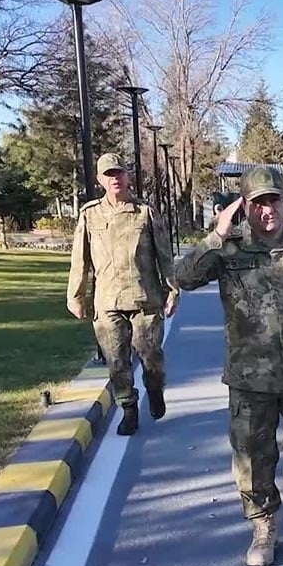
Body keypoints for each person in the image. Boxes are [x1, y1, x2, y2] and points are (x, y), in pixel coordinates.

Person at [174, 165, 283, 566]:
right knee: (252, 457)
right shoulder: (228, 249)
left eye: (274, 200)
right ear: (245, 205)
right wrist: (216, 233)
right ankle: (263, 524)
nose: (268, 210)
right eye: (259, 202)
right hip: (250, 376)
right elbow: (183, 277)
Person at [68, 153, 178, 436]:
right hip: (107, 301)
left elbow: (164, 255)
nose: (114, 178)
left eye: (119, 173)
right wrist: (76, 295)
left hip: (145, 298)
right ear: (100, 180)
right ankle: (128, 408)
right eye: (108, 174)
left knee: (151, 355)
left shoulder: (145, 212)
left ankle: (155, 390)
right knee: (116, 360)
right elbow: (80, 259)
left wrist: (172, 289)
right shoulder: (90, 215)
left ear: (128, 176)